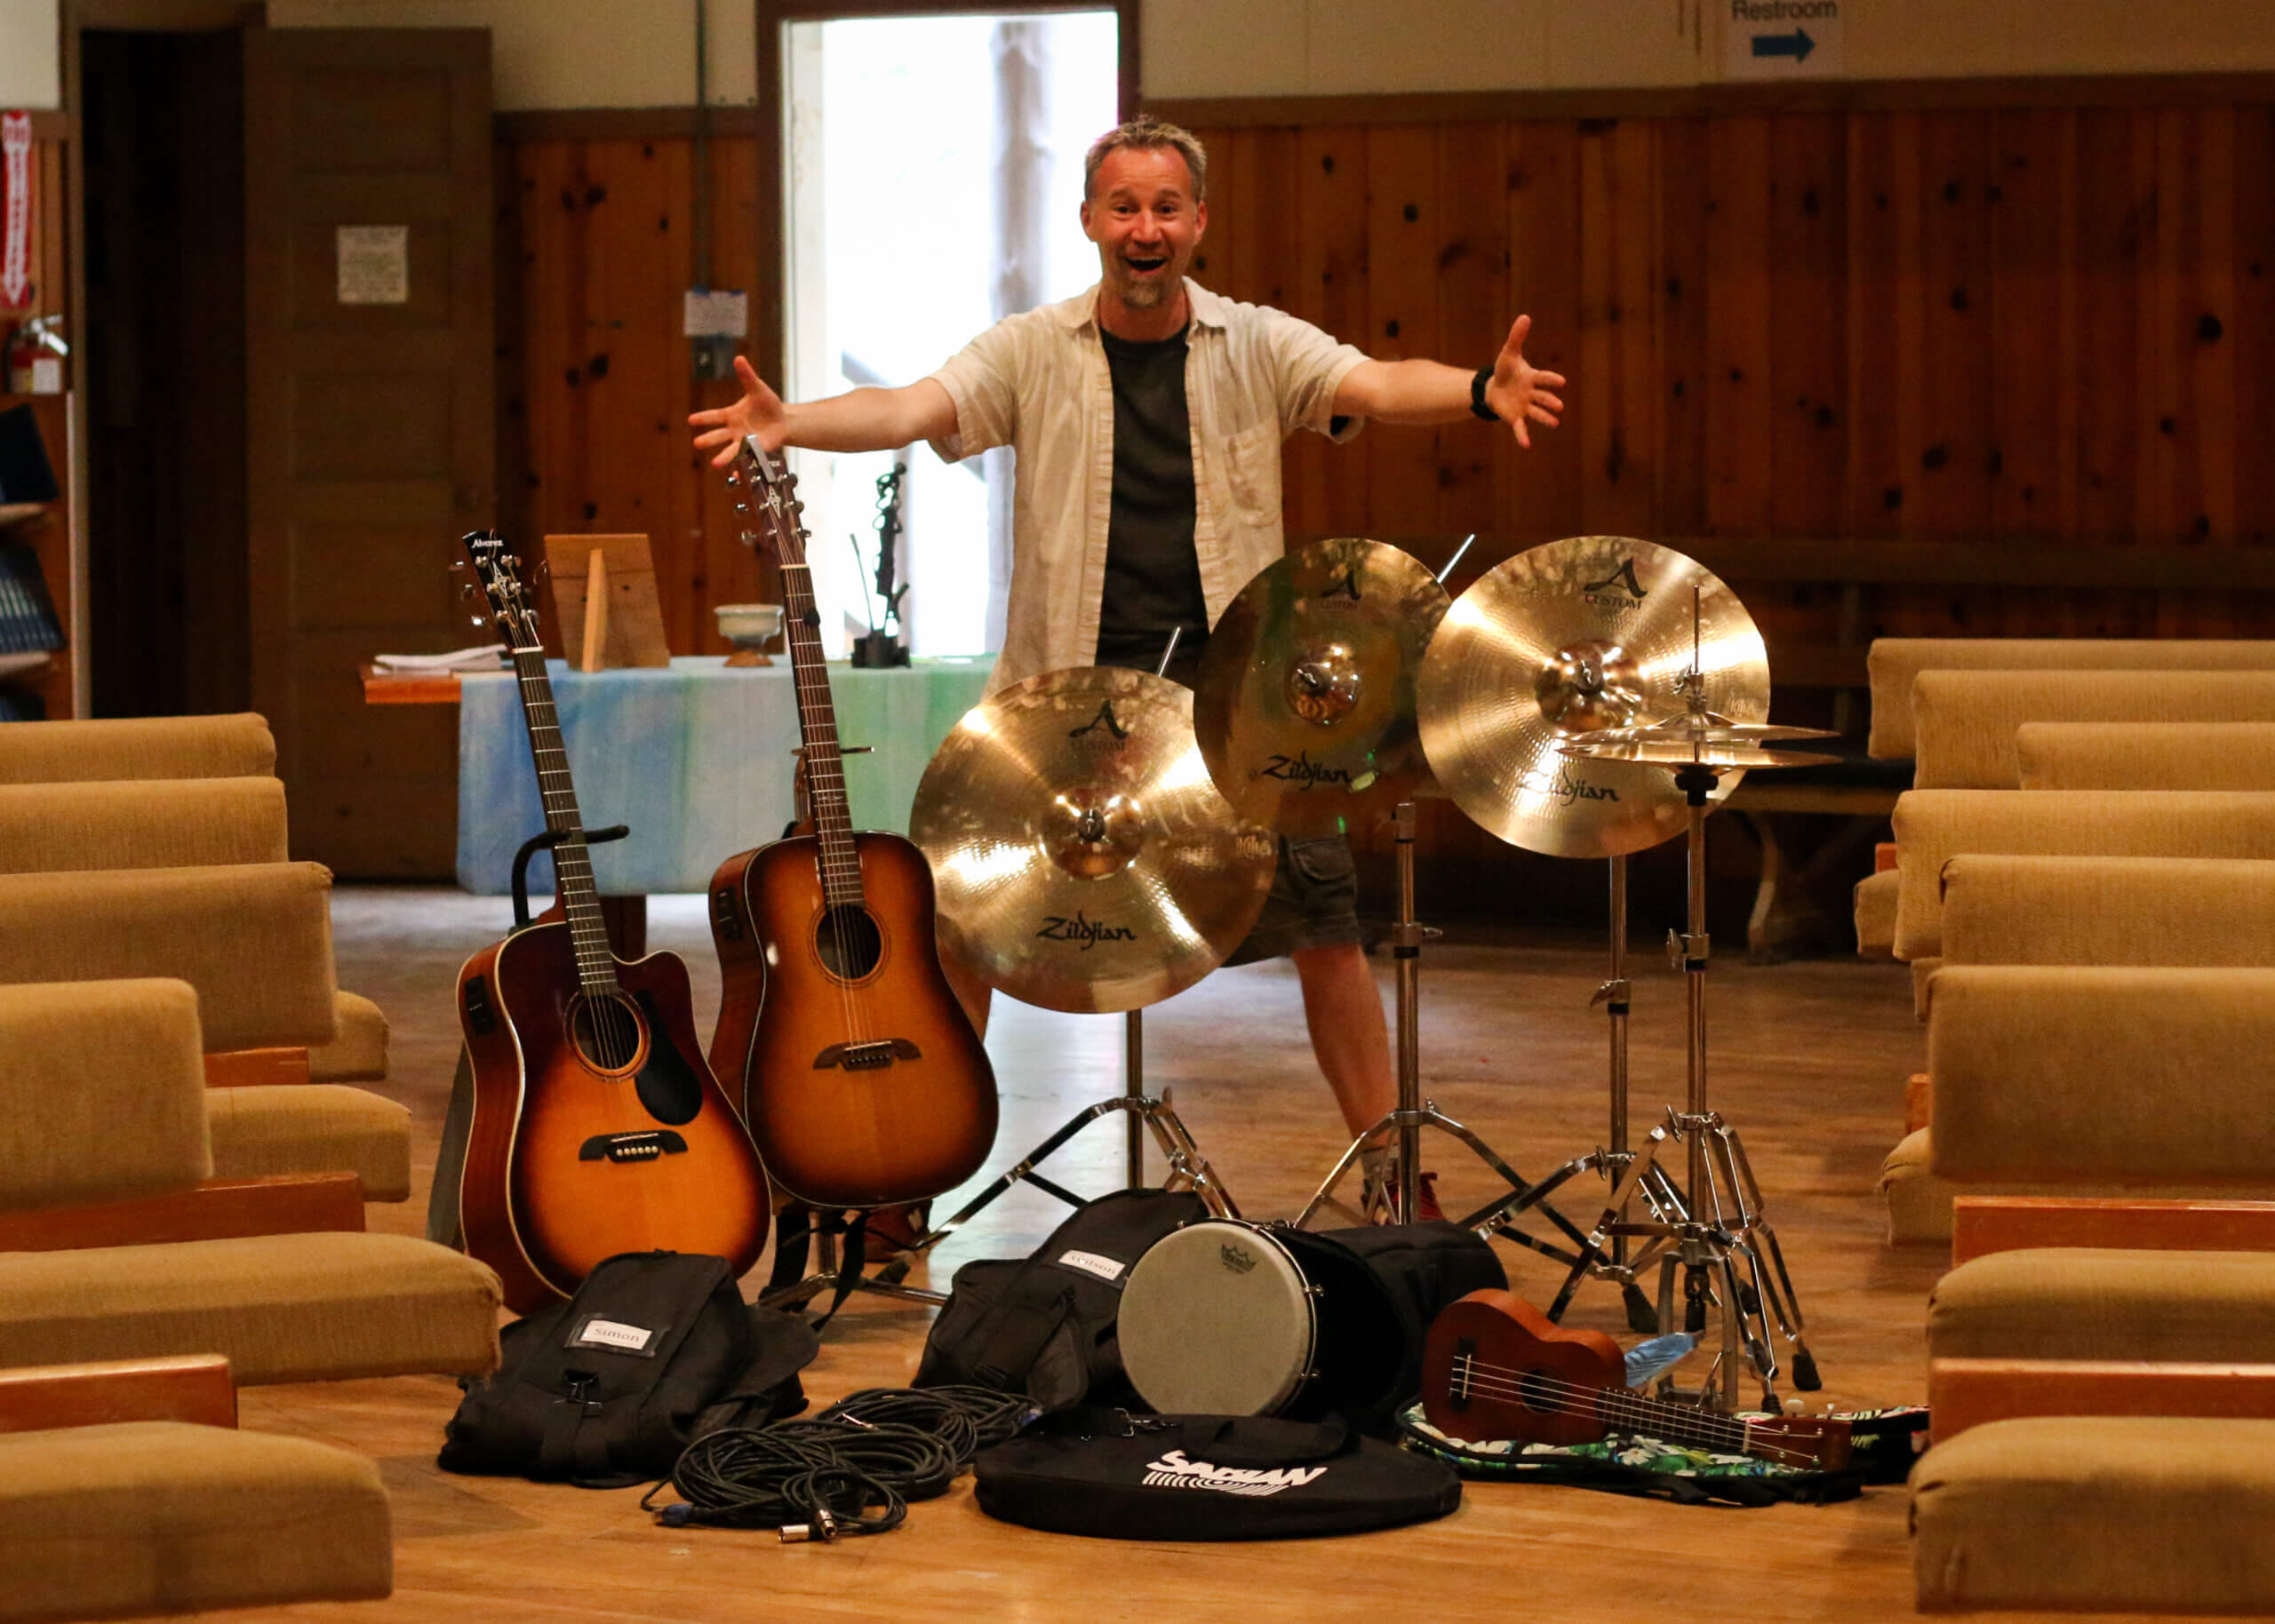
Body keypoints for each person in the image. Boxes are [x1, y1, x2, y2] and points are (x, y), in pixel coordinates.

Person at [691, 116, 1566, 1220]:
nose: (1144, 227)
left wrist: (1482, 389)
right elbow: (911, 407)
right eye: (1123, 207)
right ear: (1090, 222)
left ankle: (1393, 1179)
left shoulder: (1255, 342)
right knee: (968, 928)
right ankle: (905, 1179)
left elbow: (1376, 384)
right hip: (1065, 705)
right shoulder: (1030, 349)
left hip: (1239, 705)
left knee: (1327, 930)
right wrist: (794, 423)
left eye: (1164, 207)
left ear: (1197, 222)